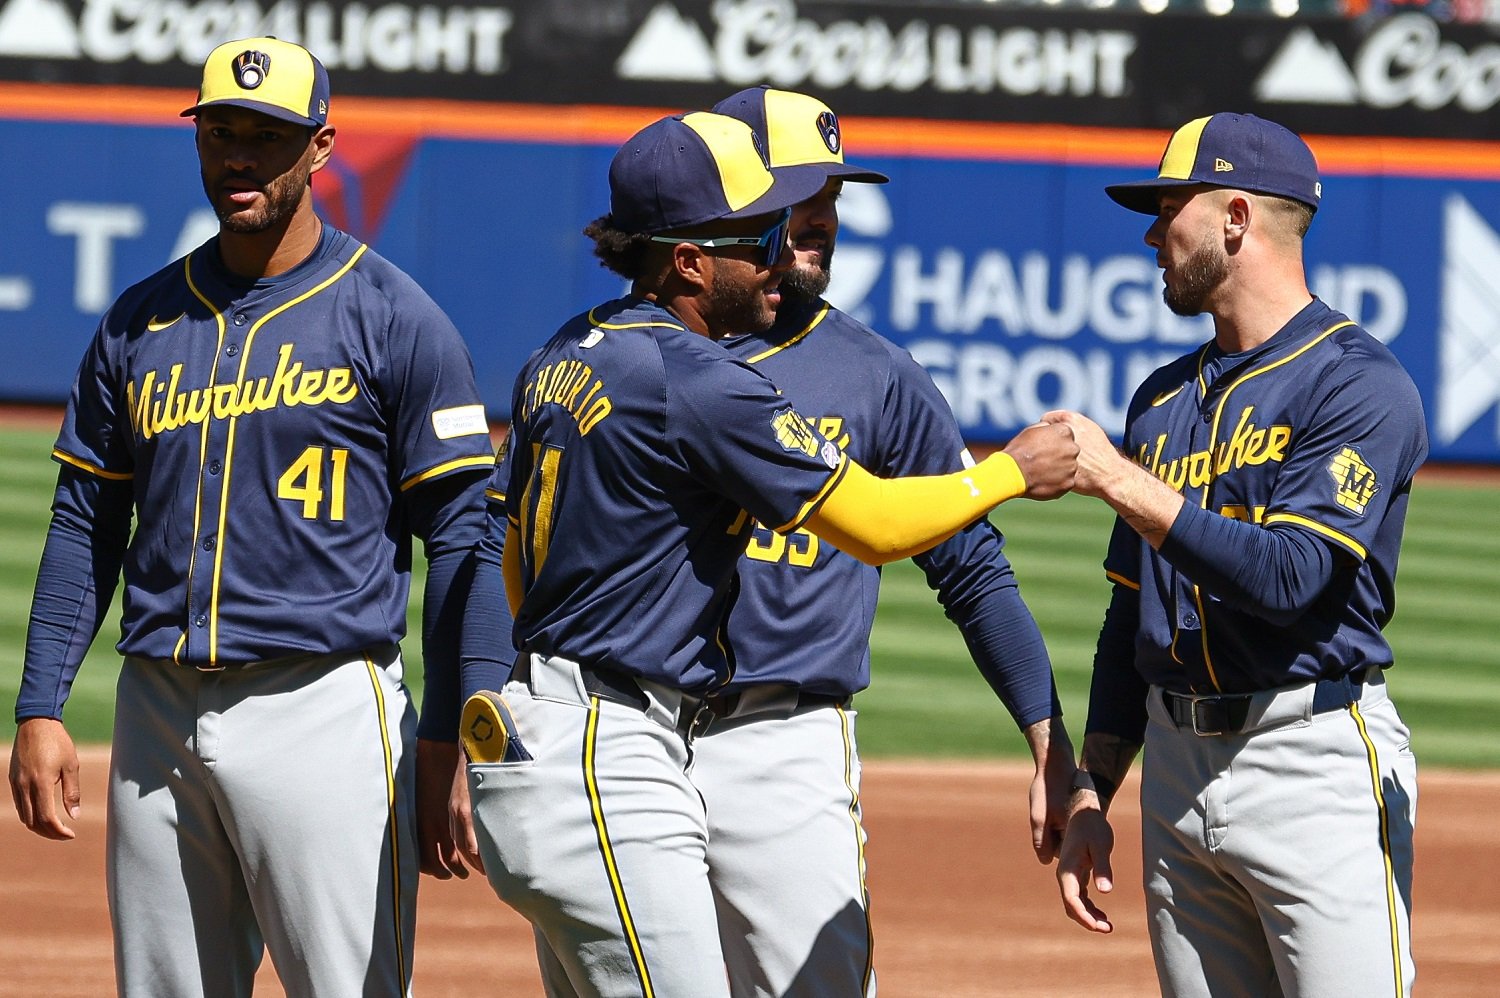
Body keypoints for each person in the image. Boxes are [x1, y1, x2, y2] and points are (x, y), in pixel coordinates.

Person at [458, 109, 1079, 998]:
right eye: (769, 219)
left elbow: (522, 560)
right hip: (619, 741)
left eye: (822, 199)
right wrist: (1011, 470)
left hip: (704, 733)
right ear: (690, 255)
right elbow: (875, 523)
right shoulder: (695, 374)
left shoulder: (570, 350)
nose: (792, 235)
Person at [6, 37, 495, 997]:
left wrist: (447, 731)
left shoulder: (396, 318)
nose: (240, 157)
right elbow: (84, 522)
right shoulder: (140, 321)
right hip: (156, 713)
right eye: (221, 132)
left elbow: (463, 536)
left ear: (320, 148)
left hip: (323, 706)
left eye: (267, 137)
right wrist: (39, 707)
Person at [674, 84, 1074, 996]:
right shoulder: (634, 353)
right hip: (633, 729)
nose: (821, 216)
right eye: (797, 193)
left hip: (782, 744)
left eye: (831, 195)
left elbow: (971, 567)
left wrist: (1047, 738)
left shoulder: (876, 375)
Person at [1051, 113, 1425, 996]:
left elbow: (1292, 576)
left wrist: (1121, 481)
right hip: (1176, 774)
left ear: (1236, 218)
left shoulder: (1356, 383)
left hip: (1311, 761)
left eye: (1167, 210)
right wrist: (1095, 785)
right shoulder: (1161, 401)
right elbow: (1129, 616)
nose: (1152, 236)